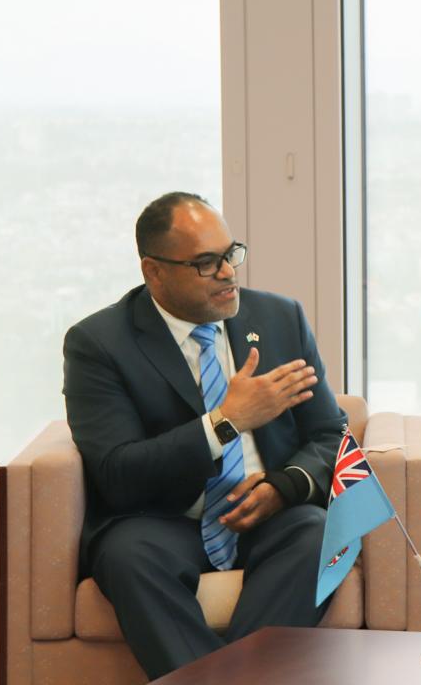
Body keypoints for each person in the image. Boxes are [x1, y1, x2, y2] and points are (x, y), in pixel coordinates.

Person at [63, 191, 345, 679]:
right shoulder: (99, 344)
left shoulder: (280, 319)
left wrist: (284, 486)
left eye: (231, 254)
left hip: (269, 513)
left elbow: (329, 433)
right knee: (127, 557)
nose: (228, 273)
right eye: (206, 263)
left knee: (318, 534)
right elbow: (117, 472)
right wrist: (225, 422)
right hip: (163, 517)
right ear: (154, 272)